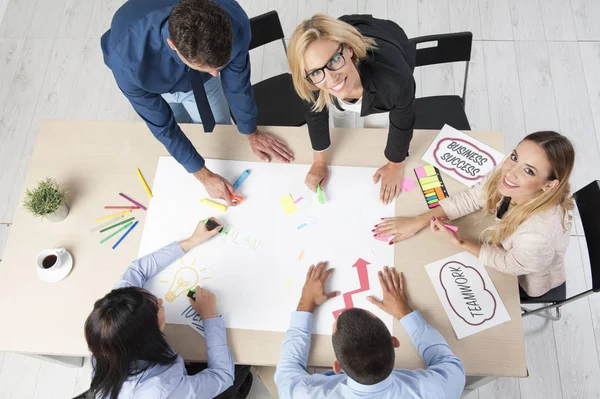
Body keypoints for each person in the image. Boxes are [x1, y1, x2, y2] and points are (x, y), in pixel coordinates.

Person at [101, 0, 294, 207]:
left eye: (221, 66)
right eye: (206, 67)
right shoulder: (127, 60)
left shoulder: (234, 20)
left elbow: (237, 85)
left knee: (218, 132)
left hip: (201, 84)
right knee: (179, 126)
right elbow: (164, 127)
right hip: (155, 85)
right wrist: (203, 175)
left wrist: (251, 132)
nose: (216, 74)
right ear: (172, 45)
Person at [374, 131, 575, 297]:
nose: (510, 171)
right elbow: (473, 198)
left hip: (527, 278)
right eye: (514, 157)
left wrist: (458, 242)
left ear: (549, 185)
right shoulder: (509, 170)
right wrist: (419, 220)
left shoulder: (537, 238)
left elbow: (508, 264)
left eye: (529, 171)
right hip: (505, 243)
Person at [84, 217, 252, 398]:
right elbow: (222, 376)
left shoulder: (110, 326)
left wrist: (191, 241)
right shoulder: (163, 390)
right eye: (156, 308)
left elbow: (137, 271)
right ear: (150, 335)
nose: (161, 302)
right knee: (243, 361)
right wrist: (210, 317)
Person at [275, 263, 465, 398]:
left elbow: (287, 370)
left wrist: (305, 303)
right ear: (394, 341)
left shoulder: (305, 393)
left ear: (337, 367)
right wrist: (405, 313)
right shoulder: (436, 390)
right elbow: (448, 363)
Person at [288, 14, 416, 205]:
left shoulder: (395, 82)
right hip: (348, 29)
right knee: (342, 114)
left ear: (348, 49)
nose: (331, 79)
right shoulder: (313, 77)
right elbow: (316, 114)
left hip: (388, 42)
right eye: (316, 72)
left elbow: (402, 123)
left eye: (333, 61)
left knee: (376, 126)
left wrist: (394, 165)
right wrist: (320, 161)